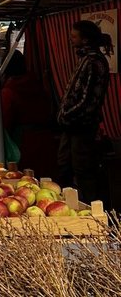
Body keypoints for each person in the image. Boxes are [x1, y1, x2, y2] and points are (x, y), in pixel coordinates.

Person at [57, 20, 111, 203]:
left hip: (82, 126)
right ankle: (71, 203)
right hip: (72, 126)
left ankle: (91, 210)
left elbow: (87, 100)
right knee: (66, 165)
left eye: (74, 36)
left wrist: (66, 114)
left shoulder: (94, 62)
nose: (71, 40)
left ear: (85, 39)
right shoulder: (85, 59)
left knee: (83, 169)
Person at [1, 50, 56, 173]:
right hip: (47, 139)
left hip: (23, 142)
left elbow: (5, 120)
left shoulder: (9, 91)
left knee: (27, 179)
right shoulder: (37, 82)